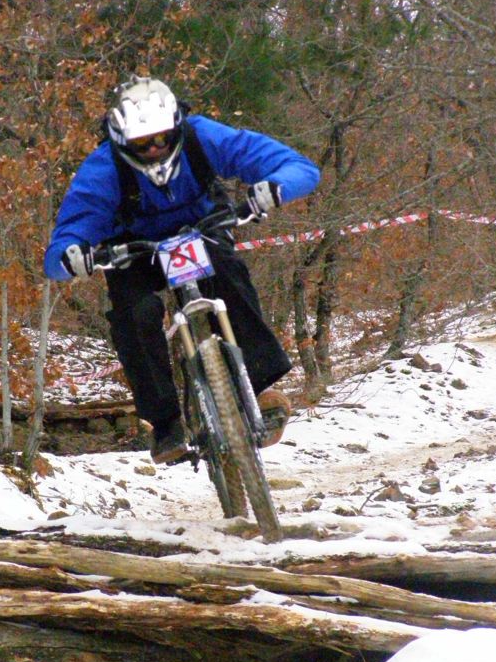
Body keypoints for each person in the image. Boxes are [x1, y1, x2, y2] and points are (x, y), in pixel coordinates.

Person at [44, 75, 320, 463]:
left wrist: (274, 187)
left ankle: (258, 386)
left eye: (162, 138)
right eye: (143, 143)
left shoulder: (202, 136)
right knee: (134, 314)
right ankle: (164, 422)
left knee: (227, 273)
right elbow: (64, 243)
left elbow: (297, 167)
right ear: (122, 141)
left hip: (200, 230)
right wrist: (74, 256)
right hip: (134, 250)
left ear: (177, 126)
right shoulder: (103, 168)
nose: (155, 149)